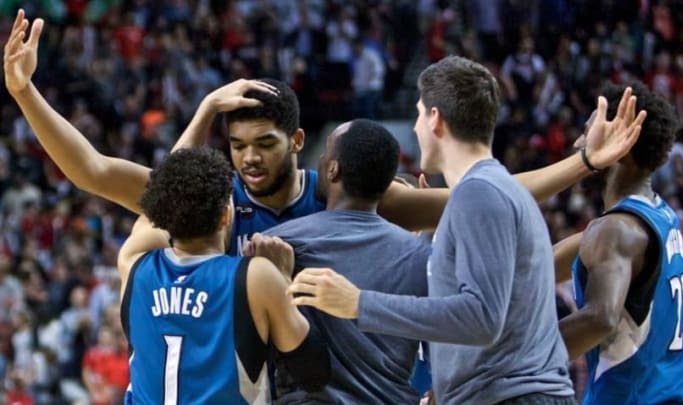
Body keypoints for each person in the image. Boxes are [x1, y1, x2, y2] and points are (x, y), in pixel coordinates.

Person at [5, 9, 642, 256]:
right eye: (238, 146)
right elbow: (90, 169)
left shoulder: (347, 193)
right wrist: (25, 93)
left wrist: (584, 161)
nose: (249, 159)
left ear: (300, 141)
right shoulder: (213, 198)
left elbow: (482, 196)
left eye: (264, 144)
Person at [286, 56, 645, 404]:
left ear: (435, 119)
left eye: (417, 115)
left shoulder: (480, 193)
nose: (414, 128)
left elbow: (481, 318)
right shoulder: (493, 192)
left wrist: (358, 303)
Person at [115, 146, 328, 403]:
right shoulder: (256, 276)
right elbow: (314, 373)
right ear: (227, 215)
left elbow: (152, 206)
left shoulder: (133, 261)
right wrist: (284, 279)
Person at [245, 119, 431, 404]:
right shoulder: (421, 255)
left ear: (333, 170)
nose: (319, 159)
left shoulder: (277, 244)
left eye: (325, 152)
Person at [557, 82, 683, 404]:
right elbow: (542, 262)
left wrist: (507, 360)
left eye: (588, 132)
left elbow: (601, 318)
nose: (578, 142)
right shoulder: (660, 215)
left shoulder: (616, 230)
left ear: (619, 145)